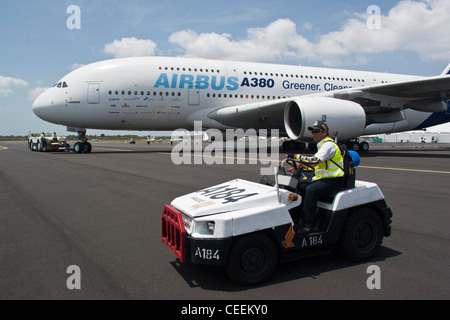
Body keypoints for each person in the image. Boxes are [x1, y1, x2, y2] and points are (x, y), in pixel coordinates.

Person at [288, 121, 345, 235]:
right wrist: (301, 165)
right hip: (323, 178)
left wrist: (296, 156)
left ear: (324, 132)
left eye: (316, 131)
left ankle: (308, 224)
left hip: (334, 180)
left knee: (311, 190)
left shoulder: (328, 145)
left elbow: (315, 161)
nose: (313, 134)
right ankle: (297, 217)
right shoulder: (322, 146)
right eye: (312, 131)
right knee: (301, 184)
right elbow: (317, 164)